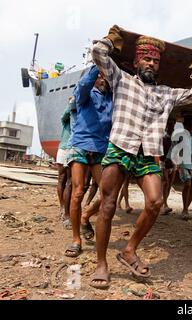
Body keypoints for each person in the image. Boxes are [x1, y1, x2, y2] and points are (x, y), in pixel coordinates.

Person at [90, 25, 192, 289]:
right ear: (136, 61)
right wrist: (110, 39)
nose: (151, 64)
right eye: (147, 59)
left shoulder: (165, 92)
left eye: (155, 60)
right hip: (121, 147)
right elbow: (98, 54)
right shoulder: (121, 79)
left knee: (155, 202)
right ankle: (101, 264)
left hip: (149, 152)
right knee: (107, 206)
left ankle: (129, 250)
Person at [64, 65, 113, 258]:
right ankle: (76, 239)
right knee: (78, 193)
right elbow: (83, 84)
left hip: (100, 149)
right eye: (99, 77)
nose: (102, 80)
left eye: (105, 77)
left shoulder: (112, 98)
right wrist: (98, 65)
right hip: (80, 146)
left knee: (108, 194)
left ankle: (85, 216)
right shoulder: (85, 94)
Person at [172, 115, 192, 220]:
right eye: (189, 123)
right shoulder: (180, 135)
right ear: (184, 124)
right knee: (188, 184)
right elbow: (174, 149)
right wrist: (175, 162)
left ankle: (186, 208)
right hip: (184, 163)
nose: (191, 125)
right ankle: (185, 209)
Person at [55, 97, 74, 229]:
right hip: (64, 148)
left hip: (74, 148)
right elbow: (64, 116)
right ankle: (62, 206)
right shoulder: (67, 116)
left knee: (70, 181)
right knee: (62, 179)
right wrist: (71, 104)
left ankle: (67, 211)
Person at [160, 117, 177, 215]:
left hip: (172, 163)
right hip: (164, 163)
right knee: (165, 183)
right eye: (170, 125)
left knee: (169, 184)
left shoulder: (173, 138)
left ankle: (165, 203)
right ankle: (164, 205)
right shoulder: (164, 138)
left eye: (173, 125)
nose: (172, 127)